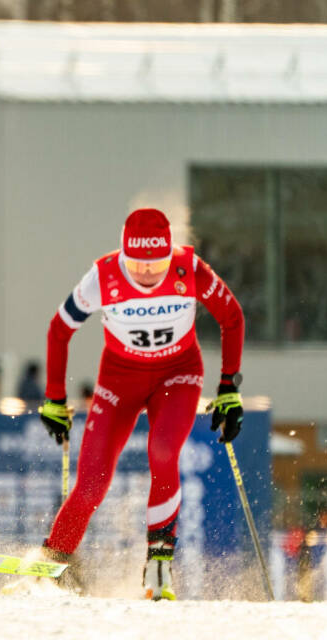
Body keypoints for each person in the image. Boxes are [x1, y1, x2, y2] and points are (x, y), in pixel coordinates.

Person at [34, 208, 244, 600]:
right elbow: (59, 330)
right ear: (122, 256)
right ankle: (53, 564)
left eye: (157, 264)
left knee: (163, 451)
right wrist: (54, 398)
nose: (147, 274)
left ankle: (159, 562)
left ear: (171, 255)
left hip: (177, 376)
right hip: (119, 380)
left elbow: (232, 317)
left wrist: (229, 386)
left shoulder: (190, 269)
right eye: (137, 264)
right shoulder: (103, 276)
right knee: (91, 484)